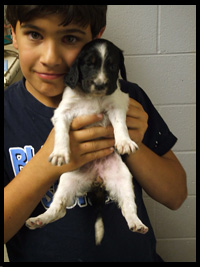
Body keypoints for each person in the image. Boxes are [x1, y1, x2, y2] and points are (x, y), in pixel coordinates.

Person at [4, 5, 187, 262]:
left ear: (96, 38)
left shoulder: (127, 98)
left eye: (70, 38)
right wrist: (45, 165)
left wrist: (130, 142)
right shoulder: (8, 114)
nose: (50, 57)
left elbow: (176, 195)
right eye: (34, 34)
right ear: (12, 32)